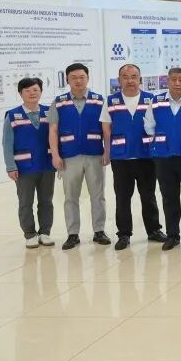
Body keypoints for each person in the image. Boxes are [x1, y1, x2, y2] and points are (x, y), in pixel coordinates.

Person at [101, 64, 165, 250]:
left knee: (148, 196)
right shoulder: (110, 101)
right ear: (119, 80)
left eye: (134, 76)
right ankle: (123, 234)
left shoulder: (151, 99)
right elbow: (106, 129)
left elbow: (158, 125)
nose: (130, 80)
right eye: (125, 77)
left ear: (140, 79)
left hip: (146, 156)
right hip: (121, 158)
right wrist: (107, 152)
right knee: (122, 197)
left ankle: (154, 230)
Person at [48, 63, 110, 250]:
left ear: (88, 78)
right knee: (70, 197)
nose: (78, 81)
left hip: (94, 155)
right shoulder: (58, 102)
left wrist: (107, 151)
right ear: (67, 80)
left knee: (98, 195)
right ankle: (73, 234)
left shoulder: (99, 101)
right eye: (73, 77)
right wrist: (55, 155)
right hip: (69, 156)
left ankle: (99, 231)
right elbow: (53, 131)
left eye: (82, 77)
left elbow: (106, 130)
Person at [145, 67, 181, 250]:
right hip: (164, 157)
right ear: (167, 81)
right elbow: (149, 126)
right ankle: (172, 235)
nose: (177, 83)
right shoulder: (156, 101)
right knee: (169, 197)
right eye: (173, 79)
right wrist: (161, 142)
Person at [2, 77, 55, 248]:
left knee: (46, 201)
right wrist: (10, 166)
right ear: (20, 93)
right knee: (25, 203)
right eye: (27, 90)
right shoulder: (12, 115)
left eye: (35, 90)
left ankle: (45, 232)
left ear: (41, 91)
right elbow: (7, 143)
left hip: (47, 165)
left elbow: (56, 137)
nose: (32, 93)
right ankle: (30, 234)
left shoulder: (49, 112)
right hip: (24, 168)